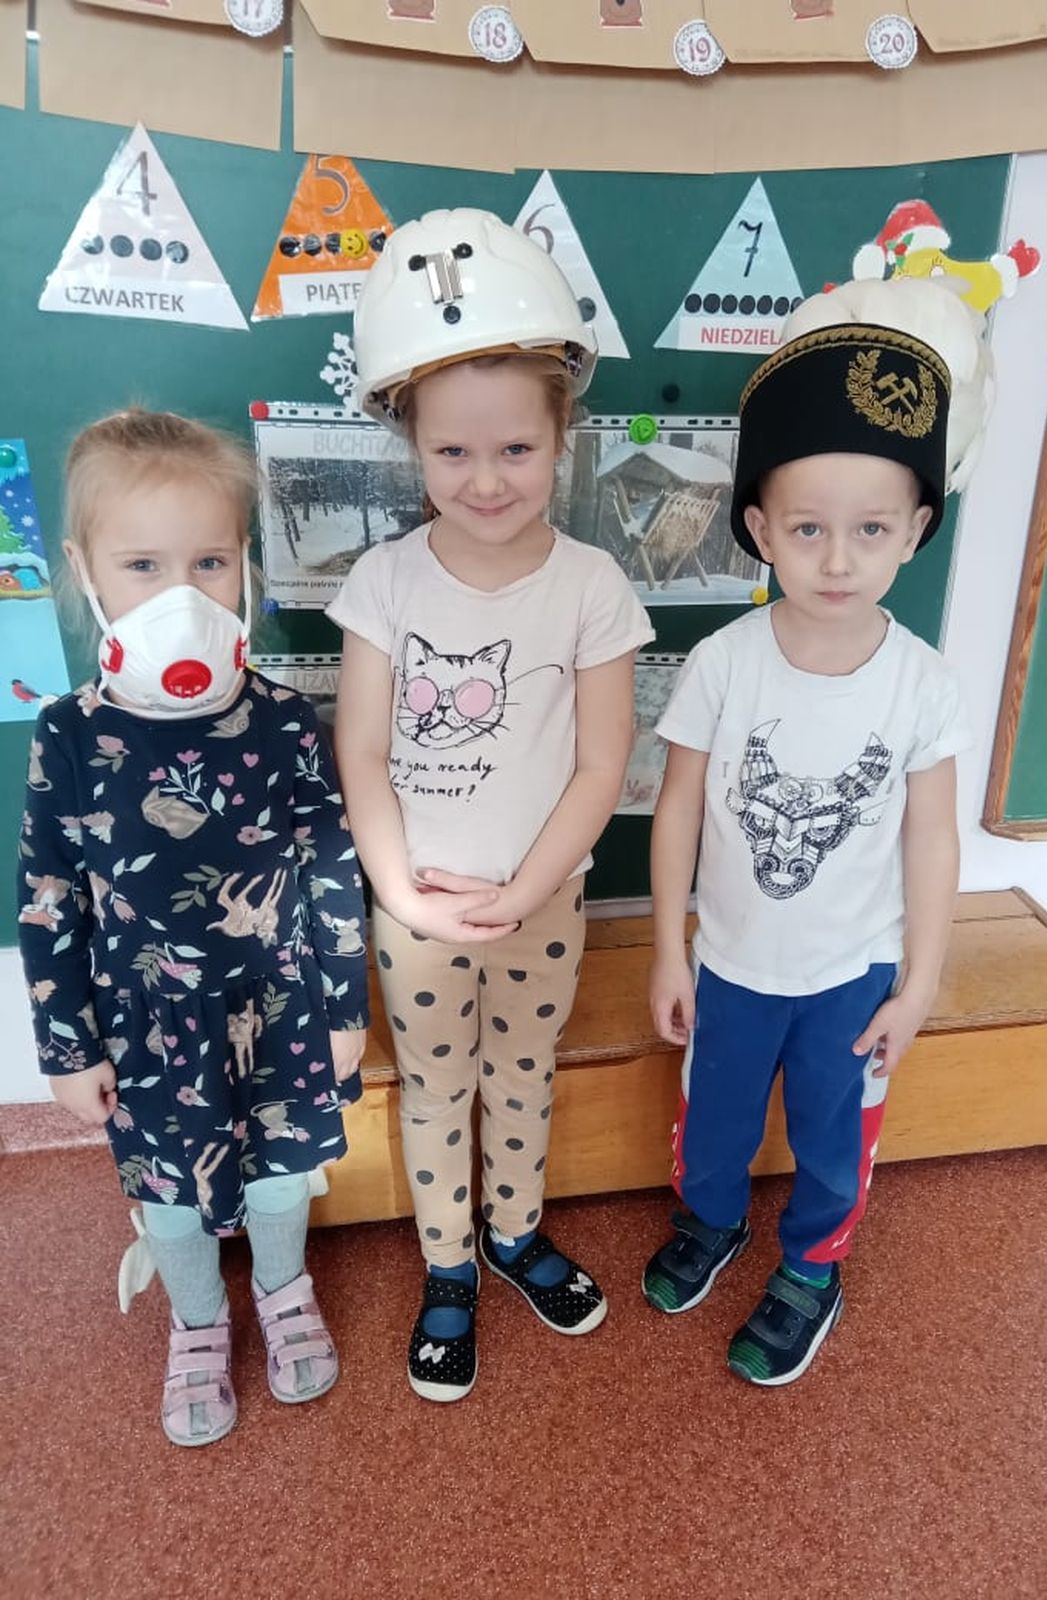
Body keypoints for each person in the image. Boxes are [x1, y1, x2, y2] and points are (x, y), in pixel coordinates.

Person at [643, 278, 994, 1386]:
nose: (837, 559)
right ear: (759, 529)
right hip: (731, 963)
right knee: (714, 1118)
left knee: (835, 1135)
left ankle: (813, 1265)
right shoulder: (723, 664)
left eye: (871, 529)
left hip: (853, 973)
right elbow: (679, 804)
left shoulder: (923, 685)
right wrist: (668, 950)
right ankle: (711, 1220)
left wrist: (920, 983)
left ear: (916, 530)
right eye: (807, 529)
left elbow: (932, 841)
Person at [330, 209, 654, 1402]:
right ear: (412, 444)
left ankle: (514, 1234)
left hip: (543, 900)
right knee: (435, 1088)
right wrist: (403, 891)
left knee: (523, 1076)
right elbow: (362, 749)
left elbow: (603, 763)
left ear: (562, 437)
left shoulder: (592, 585)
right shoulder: (384, 580)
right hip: (415, 907)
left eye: (516, 448)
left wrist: (523, 889)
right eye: (452, 451)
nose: (485, 479)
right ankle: (448, 1266)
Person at [16, 409, 370, 1445]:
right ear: (84, 571)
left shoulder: (282, 718)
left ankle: (284, 1290)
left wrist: (344, 1008)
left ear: (243, 563)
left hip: (278, 1005)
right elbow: (49, 895)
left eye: (208, 562)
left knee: (281, 1171)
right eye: (143, 565)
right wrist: (68, 1048)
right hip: (147, 1023)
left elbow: (330, 866)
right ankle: (199, 1318)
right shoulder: (68, 733)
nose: (183, 596)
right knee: (171, 1193)